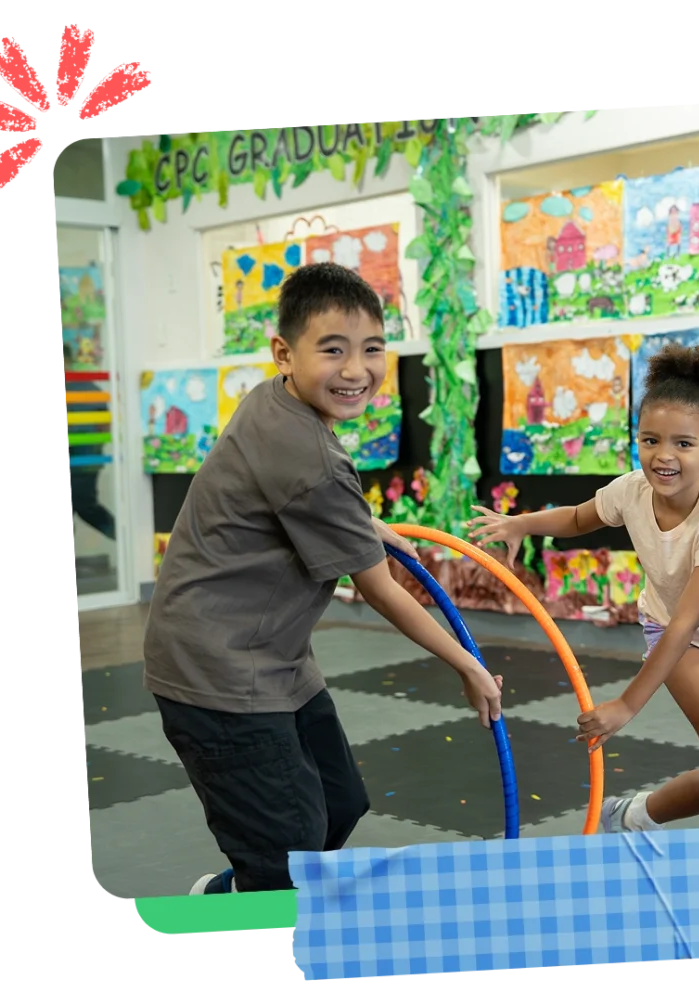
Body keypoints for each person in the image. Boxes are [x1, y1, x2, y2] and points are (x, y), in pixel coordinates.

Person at [143, 262, 504, 896]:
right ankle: (256, 901)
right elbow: (380, 589)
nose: (355, 369)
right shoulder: (308, 457)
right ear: (284, 352)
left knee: (338, 803)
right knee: (290, 850)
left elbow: (303, 500)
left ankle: (235, 893)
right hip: (218, 673)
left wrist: (365, 523)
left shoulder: (275, 402)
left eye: (371, 349)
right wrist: (468, 664)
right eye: (331, 350)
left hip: (272, 657)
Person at [468, 342, 699, 833]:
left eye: (683, 443)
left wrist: (626, 705)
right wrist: (521, 523)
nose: (663, 456)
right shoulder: (631, 490)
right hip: (677, 633)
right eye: (650, 440)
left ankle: (631, 815)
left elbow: (692, 616)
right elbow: (575, 517)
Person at [63, 342, 116, 541]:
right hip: (85, 462)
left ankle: (126, 538)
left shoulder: (85, 390)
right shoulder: (90, 389)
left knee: (85, 506)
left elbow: (105, 426)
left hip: (82, 464)